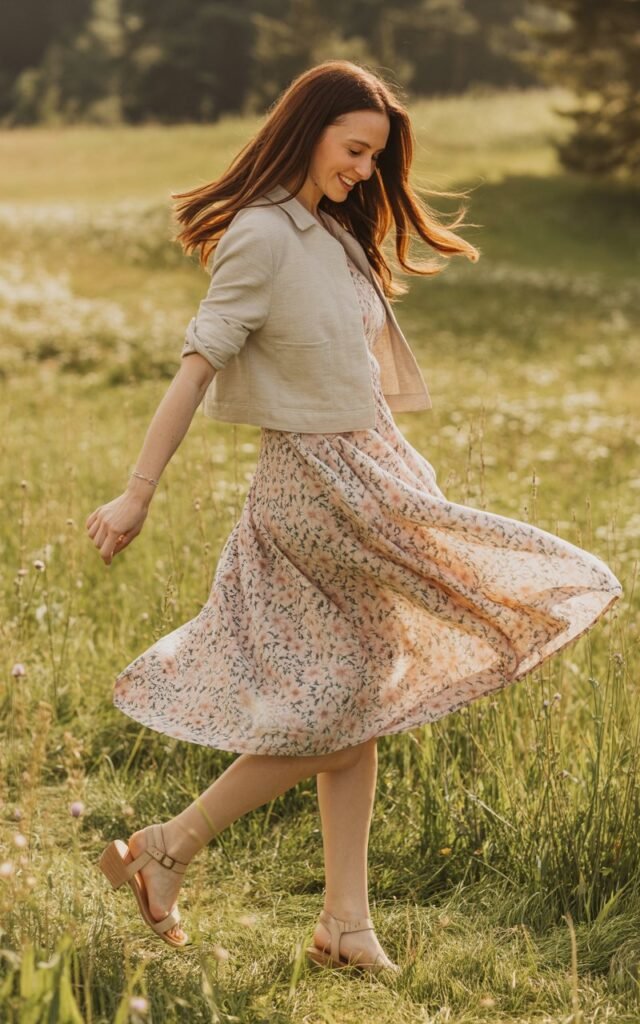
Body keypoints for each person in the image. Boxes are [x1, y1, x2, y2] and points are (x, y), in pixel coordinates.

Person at [88, 60, 623, 973]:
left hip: (367, 472)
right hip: (317, 487)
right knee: (352, 697)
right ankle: (170, 846)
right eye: (354, 149)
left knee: (360, 696)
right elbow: (197, 365)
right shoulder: (262, 234)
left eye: (375, 156)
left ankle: (344, 922)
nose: (365, 170)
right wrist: (138, 491)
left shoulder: (333, 235)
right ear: (309, 133)